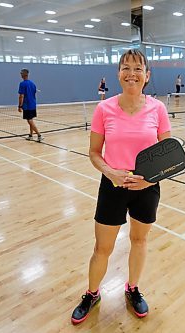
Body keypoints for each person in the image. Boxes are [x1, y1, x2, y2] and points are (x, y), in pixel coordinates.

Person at [71, 49, 171, 325]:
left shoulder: (157, 109)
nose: (132, 74)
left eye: (138, 69)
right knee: (102, 248)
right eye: (126, 68)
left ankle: (132, 288)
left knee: (139, 241)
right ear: (118, 74)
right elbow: (93, 152)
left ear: (147, 75)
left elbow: (168, 154)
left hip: (147, 187)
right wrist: (110, 172)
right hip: (112, 186)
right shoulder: (104, 108)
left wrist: (150, 179)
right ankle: (92, 293)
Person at [18, 68, 43, 142]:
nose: (20, 74)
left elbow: (21, 96)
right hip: (33, 104)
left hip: (27, 105)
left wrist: (20, 106)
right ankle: (31, 135)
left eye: (21, 73)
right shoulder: (33, 84)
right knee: (31, 120)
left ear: (24, 74)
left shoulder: (22, 84)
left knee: (30, 121)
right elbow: (34, 92)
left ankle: (39, 135)